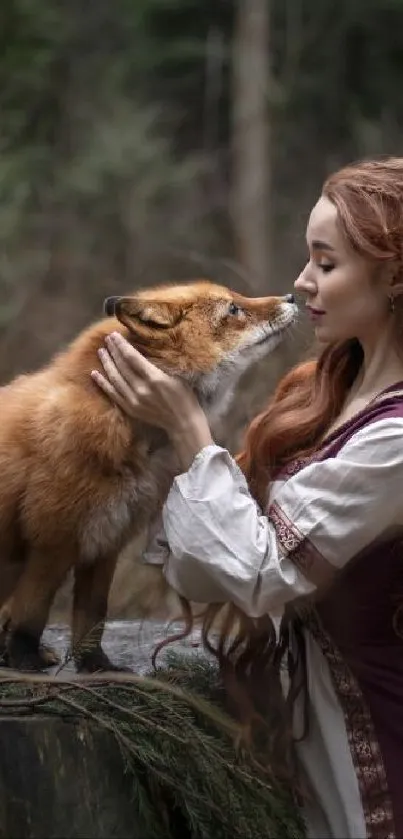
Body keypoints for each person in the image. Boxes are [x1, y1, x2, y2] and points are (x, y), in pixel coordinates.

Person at [91, 157, 403, 839]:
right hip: (307, 739)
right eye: (306, 257)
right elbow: (211, 567)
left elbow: (265, 574)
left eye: (325, 262)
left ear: (394, 275)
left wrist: (186, 426)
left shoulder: (396, 439)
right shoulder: (327, 393)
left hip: (378, 747)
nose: (300, 281)